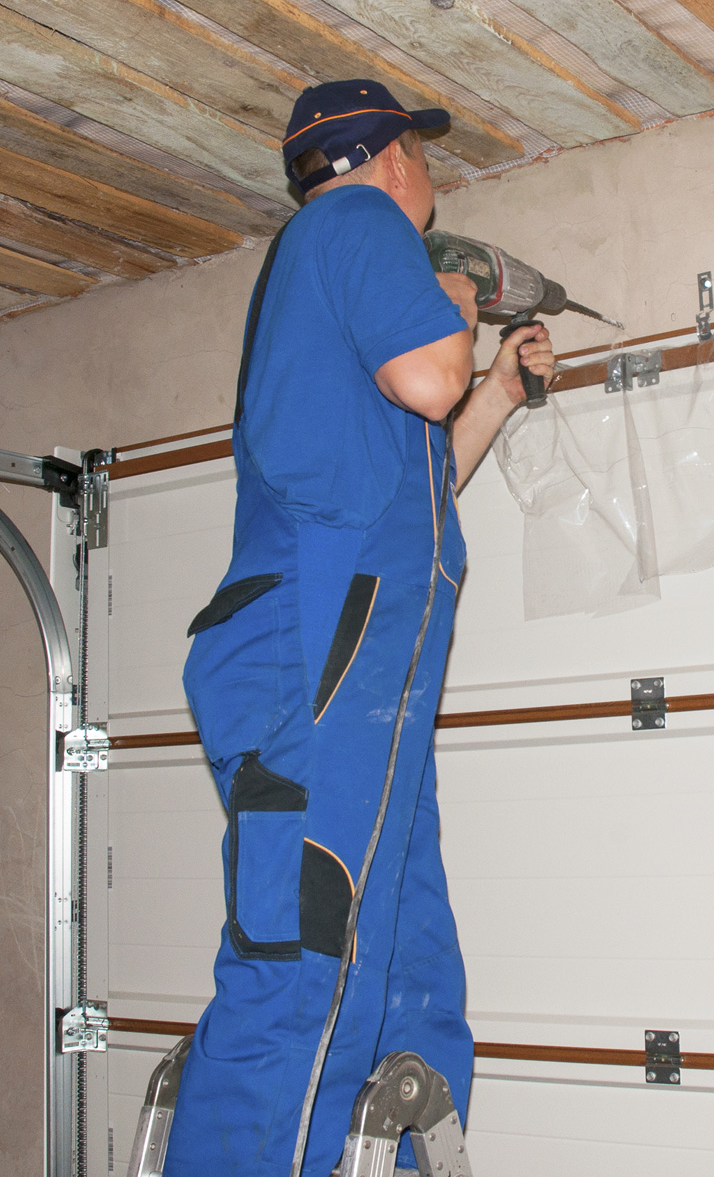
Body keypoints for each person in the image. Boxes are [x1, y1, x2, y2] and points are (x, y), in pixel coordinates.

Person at [164, 79, 553, 1176]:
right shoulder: (353, 221)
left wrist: (500, 392)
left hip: (364, 679)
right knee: (305, 952)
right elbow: (429, 372)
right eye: (423, 157)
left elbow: (425, 474)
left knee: (402, 956)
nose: (431, 177)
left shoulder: (339, 293)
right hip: (309, 654)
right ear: (388, 159)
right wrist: (460, 312)